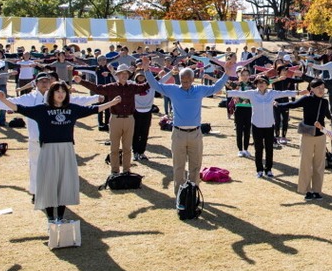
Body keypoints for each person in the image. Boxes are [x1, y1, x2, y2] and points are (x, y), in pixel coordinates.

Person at [0, 85, 119, 227]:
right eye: (57, 92)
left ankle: (60, 217)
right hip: (48, 149)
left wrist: (112, 103)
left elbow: (93, 109)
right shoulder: (42, 109)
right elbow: (20, 109)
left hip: (66, 149)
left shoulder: (72, 108)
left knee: (64, 183)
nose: (60, 94)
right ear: (51, 94)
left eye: (63, 92)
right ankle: (51, 219)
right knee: (49, 184)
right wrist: (3, 100)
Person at [0, 73, 101, 201]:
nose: (44, 83)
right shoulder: (28, 98)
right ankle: (36, 192)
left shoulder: (57, 97)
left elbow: (77, 101)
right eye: (41, 81)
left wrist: (95, 98)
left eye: (46, 81)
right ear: (36, 84)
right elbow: (9, 103)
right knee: (35, 166)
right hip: (35, 139)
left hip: (54, 141)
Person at [145, 58, 234, 189]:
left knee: (195, 166)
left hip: (195, 134)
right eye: (182, 81)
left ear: (193, 79)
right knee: (178, 166)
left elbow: (216, 87)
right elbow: (155, 85)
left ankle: (193, 192)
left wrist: (226, 74)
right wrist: (147, 70)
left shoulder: (200, 89)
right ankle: (180, 195)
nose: (185, 83)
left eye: (187, 81)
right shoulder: (173, 89)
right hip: (178, 134)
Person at [73, 64, 150, 175]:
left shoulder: (133, 87)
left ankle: (126, 170)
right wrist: (82, 81)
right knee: (114, 147)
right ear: (117, 75)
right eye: (121, 73)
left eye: (126, 73)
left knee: (127, 148)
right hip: (115, 119)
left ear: (129, 75)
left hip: (129, 119)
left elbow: (146, 86)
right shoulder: (111, 87)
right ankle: (114, 171)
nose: (124, 75)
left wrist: (158, 76)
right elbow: (97, 88)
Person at [226, 75, 294, 178]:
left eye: (263, 82)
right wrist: (223, 92)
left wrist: (300, 93)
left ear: (267, 84)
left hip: (269, 125)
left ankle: (269, 170)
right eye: (258, 82)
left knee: (269, 148)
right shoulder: (252, 93)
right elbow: (239, 93)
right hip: (256, 125)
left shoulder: (272, 93)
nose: (261, 84)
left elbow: (285, 93)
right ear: (256, 84)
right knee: (258, 149)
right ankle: (259, 170)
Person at [277, 78, 332, 199]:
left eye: (323, 88)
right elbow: (292, 104)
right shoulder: (307, 99)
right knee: (306, 163)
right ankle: (305, 190)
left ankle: (317, 190)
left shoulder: (324, 102)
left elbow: (328, 114)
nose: (321, 90)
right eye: (318, 88)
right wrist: (278, 105)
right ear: (311, 89)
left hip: (321, 135)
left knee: (319, 164)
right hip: (308, 135)